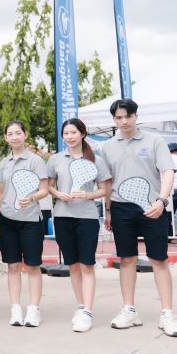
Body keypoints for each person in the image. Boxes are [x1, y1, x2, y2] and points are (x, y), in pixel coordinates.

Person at [101, 99, 177, 337]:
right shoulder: (107, 146)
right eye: (118, 117)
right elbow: (108, 181)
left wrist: (162, 201)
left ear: (136, 116)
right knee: (127, 259)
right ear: (114, 120)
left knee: (158, 259)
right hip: (121, 208)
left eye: (127, 116)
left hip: (153, 206)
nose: (123, 121)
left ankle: (167, 313)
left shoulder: (154, 141)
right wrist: (107, 210)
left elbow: (167, 171)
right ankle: (129, 310)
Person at [46, 118, 111, 332]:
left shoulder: (96, 160)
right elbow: (50, 186)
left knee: (87, 265)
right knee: (73, 265)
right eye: (66, 133)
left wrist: (88, 194)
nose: (69, 136)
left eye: (73, 132)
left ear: (82, 134)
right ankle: (81, 306)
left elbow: (104, 189)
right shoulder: (56, 159)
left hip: (87, 217)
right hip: (62, 216)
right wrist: (58, 194)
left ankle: (88, 312)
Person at [0, 120, 49, 327]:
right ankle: (15, 309)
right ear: (6, 137)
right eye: (10, 133)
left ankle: (33, 310)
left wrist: (32, 198)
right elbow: (0, 191)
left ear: (25, 135)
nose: (14, 137)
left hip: (30, 221)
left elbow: (44, 189)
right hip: (8, 220)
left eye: (18, 133)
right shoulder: (4, 162)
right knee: (13, 266)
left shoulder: (35, 161)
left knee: (33, 266)